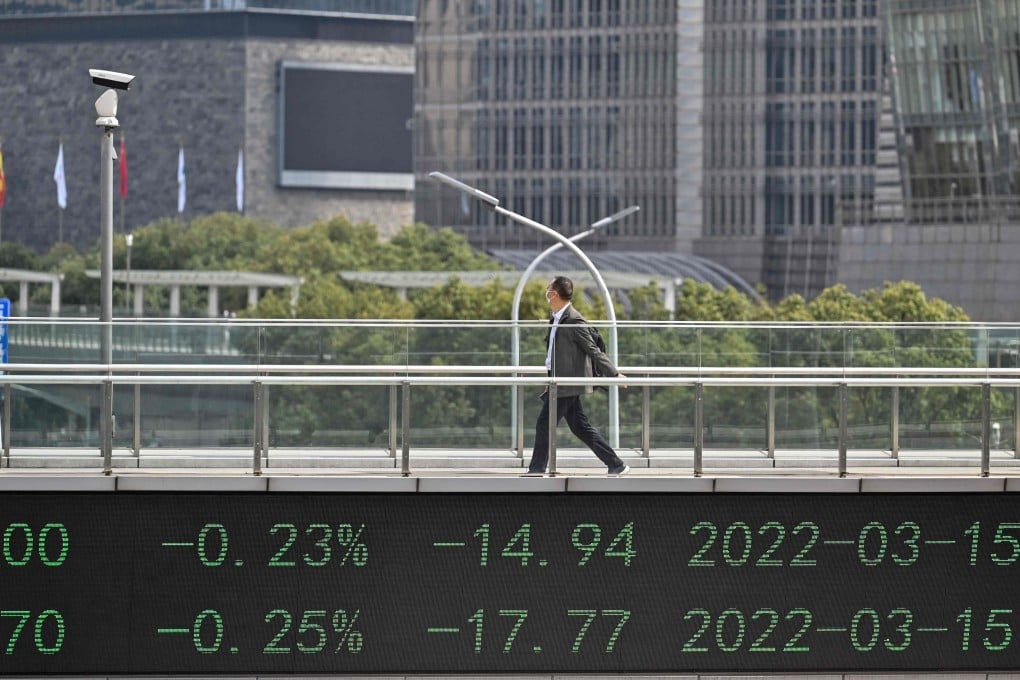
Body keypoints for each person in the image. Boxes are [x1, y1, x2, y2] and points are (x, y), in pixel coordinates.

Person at [527, 276, 629, 475]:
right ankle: (616, 464)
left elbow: (593, 350)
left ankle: (536, 470)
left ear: (554, 294)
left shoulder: (574, 319)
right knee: (580, 427)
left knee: (544, 424)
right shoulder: (557, 317)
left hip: (566, 384)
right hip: (558, 381)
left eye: (549, 288)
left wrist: (614, 373)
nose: (546, 291)